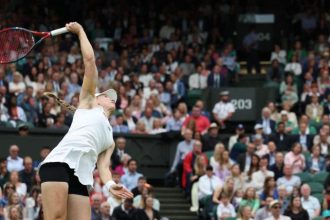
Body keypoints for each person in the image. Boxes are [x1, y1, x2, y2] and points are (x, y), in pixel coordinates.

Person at [38, 22, 133, 220]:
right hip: (58, 164)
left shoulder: (110, 139)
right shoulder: (88, 103)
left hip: (81, 177)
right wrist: (80, 32)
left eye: (113, 97)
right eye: (107, 95)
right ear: (96, 98)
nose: (111, 97)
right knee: (56, 218)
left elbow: (103, 168)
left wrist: (109, 185)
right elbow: (89, 61)